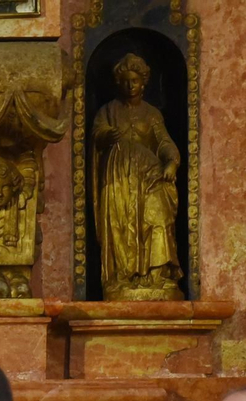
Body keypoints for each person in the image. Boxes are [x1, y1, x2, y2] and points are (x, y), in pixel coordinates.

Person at [91, 52, 182, 299]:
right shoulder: (108, 111)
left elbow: (164, 142)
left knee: (158, 215)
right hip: (118, 178)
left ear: (144, 82)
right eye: (125, 80)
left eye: (135, 80)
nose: (130, 85)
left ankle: (157, 273)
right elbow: (96, 136)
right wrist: (105, 136)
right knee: (120, 224)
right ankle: (122, 275)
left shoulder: (151, 114)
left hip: (149, 174)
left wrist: (172, 163)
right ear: (118, 83)